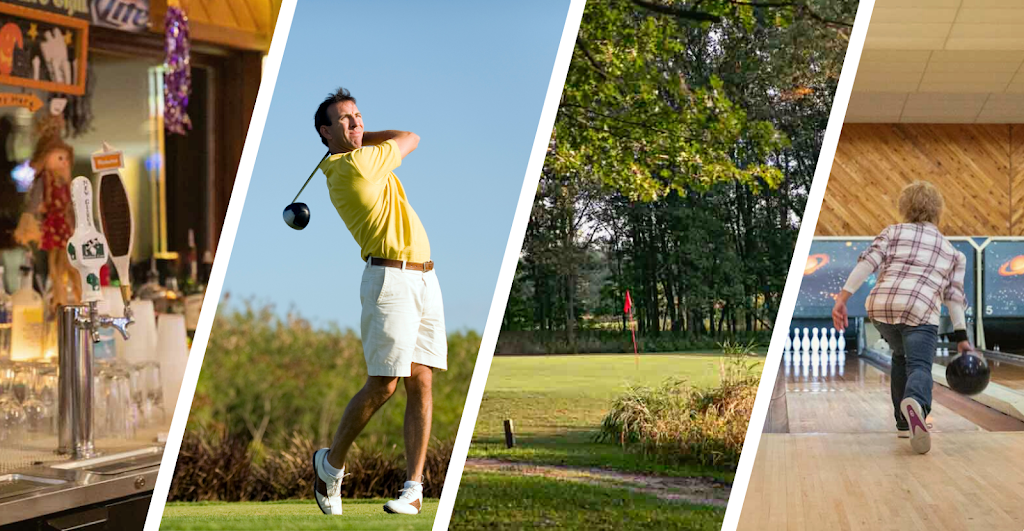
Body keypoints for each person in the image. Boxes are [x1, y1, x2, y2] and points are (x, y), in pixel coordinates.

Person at [310, 87, 446, 515]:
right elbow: (410, 136)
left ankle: (413, 489)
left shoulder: (354, 158)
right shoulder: (356, 164)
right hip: (389, 281)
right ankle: (330, 467)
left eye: (359, 117)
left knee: (421, 379)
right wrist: (364, 137)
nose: (356, 124)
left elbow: (399, 139)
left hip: (424, 276)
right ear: (325, 131)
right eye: (345, 120)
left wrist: (356, 132)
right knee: (384, 383)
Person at [832, 181, 973, 455]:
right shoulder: (953, 252)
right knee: (919, 365)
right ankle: (915, 402)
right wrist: (962, 337)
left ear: (904, 208)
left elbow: (867, 263)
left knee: (900, 354)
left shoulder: (892, 232)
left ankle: (901, 422)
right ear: (938, 211)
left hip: (881, 308)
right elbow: (954, 298)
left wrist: (843, 298)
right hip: (920, 311)